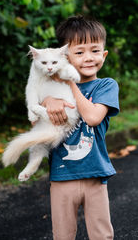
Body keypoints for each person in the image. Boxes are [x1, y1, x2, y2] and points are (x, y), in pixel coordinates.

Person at [42, 15, 120, 240]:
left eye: (95, 51)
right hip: (61, 177)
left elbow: (93, 117)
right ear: (65, 57)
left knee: (102, 235)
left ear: (104, 54)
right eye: (79, 52)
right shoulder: (50, 89)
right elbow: (36, 124)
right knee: (63, 235)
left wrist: (69, 82)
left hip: (95, 175)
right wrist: (48, 101)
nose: (89, 58)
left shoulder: (106, 85)